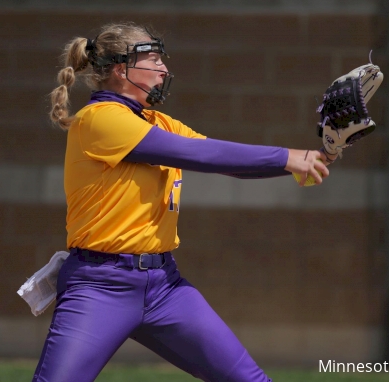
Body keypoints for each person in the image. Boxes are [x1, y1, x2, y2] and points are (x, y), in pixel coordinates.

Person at [31, 22, 334, 382]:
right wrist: (285, 157)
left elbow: (223, 161)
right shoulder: (100, 119)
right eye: (153, 59)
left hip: (163, 286)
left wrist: (306, 159)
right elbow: (200, 154)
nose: (164, 69)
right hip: (100, 285)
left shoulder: (158, 122)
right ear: (119, 69)